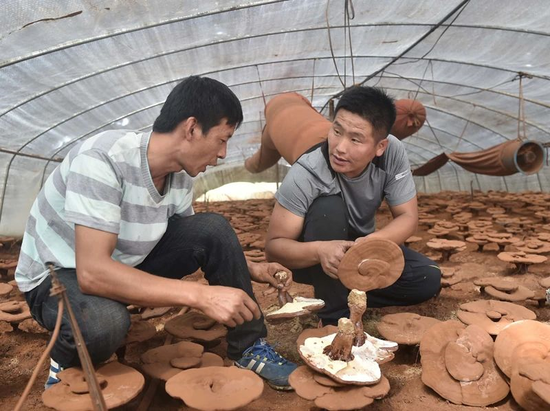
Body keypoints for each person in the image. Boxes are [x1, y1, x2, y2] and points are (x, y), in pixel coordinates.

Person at [15, 76, 297, 390]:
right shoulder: (102, 160)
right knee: (105, 324)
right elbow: (92, 272)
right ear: (191, 129)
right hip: (59, 274)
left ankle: (248, 348)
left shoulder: (179, 175)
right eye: (222, 139)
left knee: (212, 228)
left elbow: (195, 239)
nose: (222, 154)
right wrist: (200, 295)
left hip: (123, 262)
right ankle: (66, 359)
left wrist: (252, 269)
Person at [265, 86, 441, 326]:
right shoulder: (306, 172)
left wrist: (371, 244)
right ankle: (333, 316)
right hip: (315, 253)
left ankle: (348, 292)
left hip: (359, 245)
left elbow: (407, 217)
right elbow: (275, 247)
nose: (340, 147)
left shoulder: (392, 154)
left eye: (355, 139)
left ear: (380, 147)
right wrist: (320, 250)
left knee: (427, 277)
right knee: (328, 208)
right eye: (336, 131)